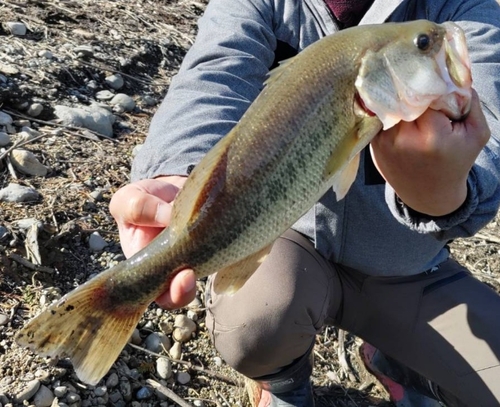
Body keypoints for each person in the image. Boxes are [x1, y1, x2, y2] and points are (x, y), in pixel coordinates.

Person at [109, 0, 500, 405]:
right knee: (256, 321)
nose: (435, 45)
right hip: (290, 248)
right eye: (423, 44)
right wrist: (177, 173)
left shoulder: (467, 9)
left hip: (408, 269)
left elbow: (492, 122)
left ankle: (399, 363)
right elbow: (213, 77)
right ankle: (283, 382)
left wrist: (444, 192)